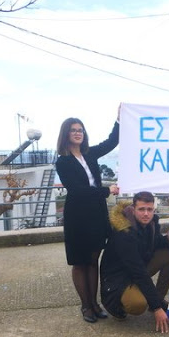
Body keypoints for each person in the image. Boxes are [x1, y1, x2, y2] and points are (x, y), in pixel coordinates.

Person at [55, 110, 120, 323]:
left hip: (96, 214)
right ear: (66, 134)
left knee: (93, 260)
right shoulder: (63, 162)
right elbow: (78, 191)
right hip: (78, 216)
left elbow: (112, 142)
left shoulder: (90, 153)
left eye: (80, 130)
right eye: (73, 130)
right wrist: (107, 190)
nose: (78, 133)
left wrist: (119, 120)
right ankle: (85, 306)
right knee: (80, 262)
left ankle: (95, 304)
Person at [100, 192, 169, 333]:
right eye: (141, 209)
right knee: (138, 305)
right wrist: (157, 308)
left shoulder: (151, 224)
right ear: (133, 209)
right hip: (118, 279)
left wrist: (167, 239)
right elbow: (139, 272)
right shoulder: (124, 233)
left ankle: (158, 298)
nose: (146, 214)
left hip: (137, 269)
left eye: (149, 209)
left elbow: (155, 242)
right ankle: (116, 307)